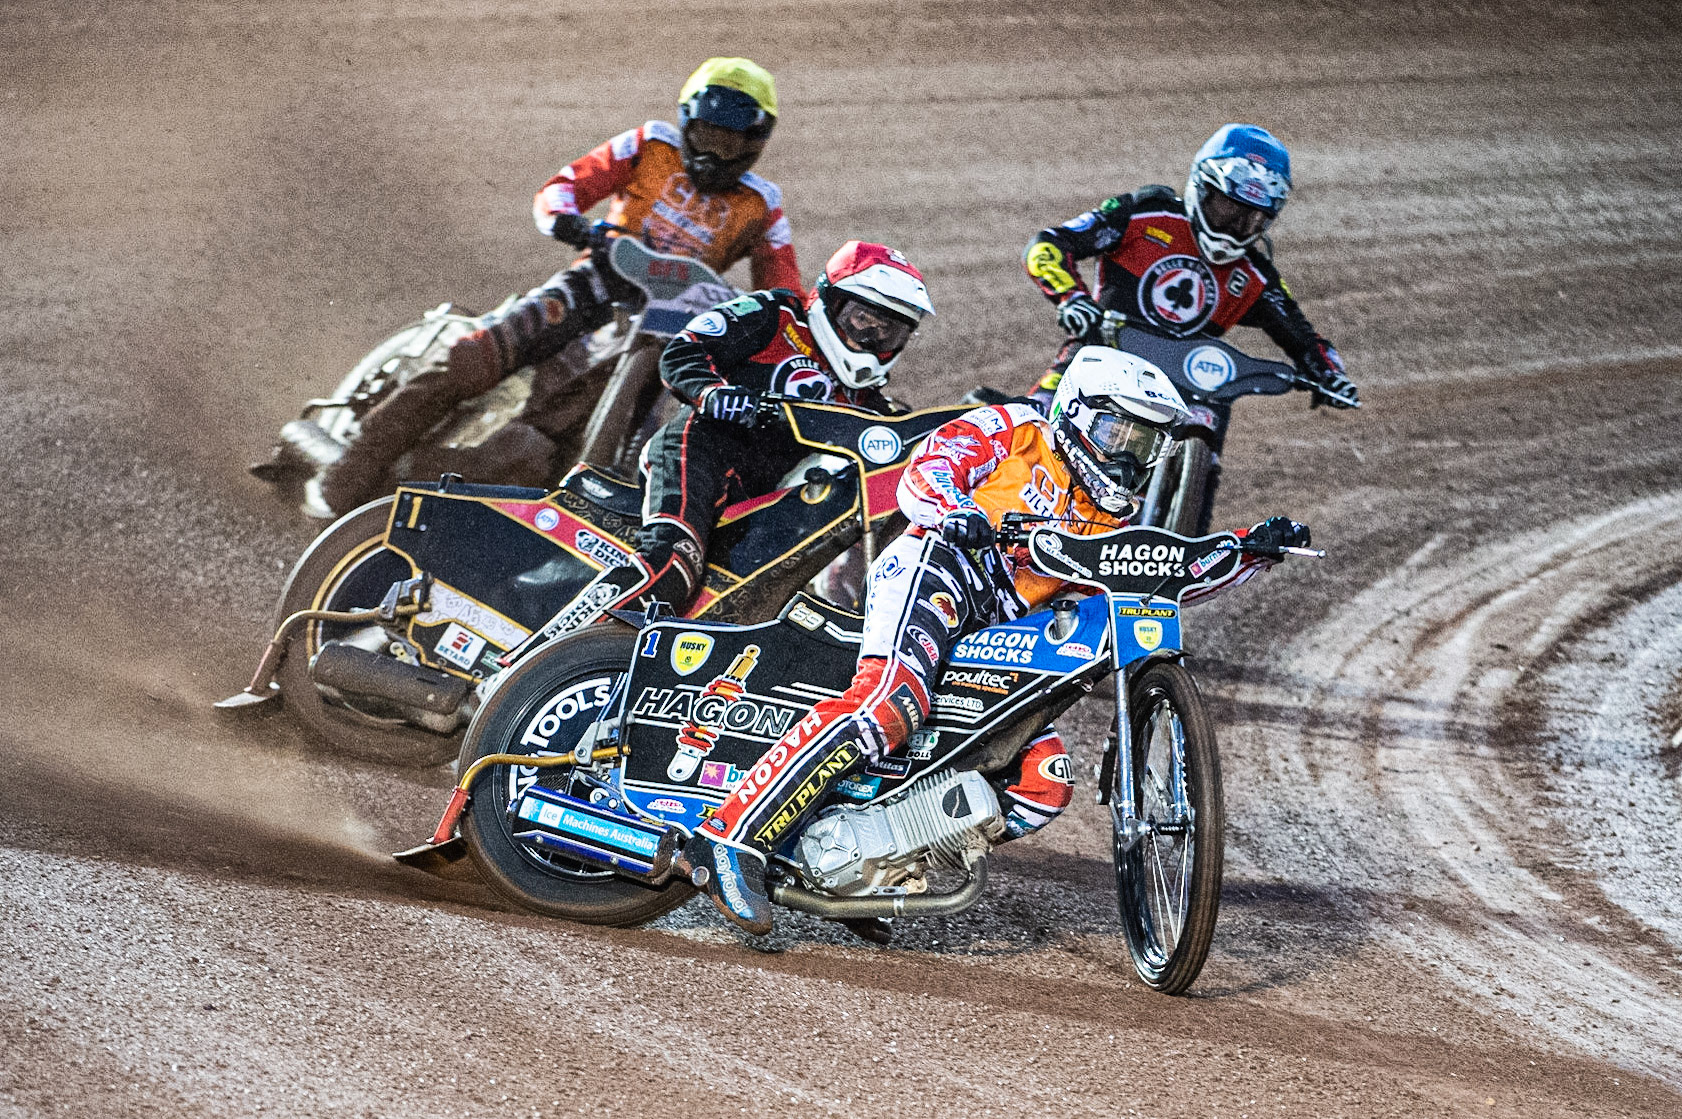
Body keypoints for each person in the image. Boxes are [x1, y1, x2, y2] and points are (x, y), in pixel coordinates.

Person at [680, 345, 1309, 934]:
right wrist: (960, 509)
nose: (1129, 457)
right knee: (888, 705)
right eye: (1121, 434)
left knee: (1043, 783)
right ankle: (732, 836)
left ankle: (861, 867)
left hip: (999, 626)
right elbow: (926, 469)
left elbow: (1160, 579)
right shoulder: (1014, 427)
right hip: (938, 566)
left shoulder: (1111, 515)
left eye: (1146, 446)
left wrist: (1252, 549)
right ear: (1079, 413)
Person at [316, 57, 801, 515]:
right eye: (707, 135)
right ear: (686, 124)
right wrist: (567, 222)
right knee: (475, 360)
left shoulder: (764, 205)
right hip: (596, 284)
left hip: (665, 330)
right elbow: (562, 186)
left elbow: (788, 293)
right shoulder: (650, 144)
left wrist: (782, 330)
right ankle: (344, 477)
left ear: (755, 143)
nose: (715, 152)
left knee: (602, 433)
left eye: (730, 143)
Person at [545, 240, 935, 628]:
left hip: (759, 503)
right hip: (698, 452)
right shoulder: (776, 315)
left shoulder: (866, 403)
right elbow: (684, 351)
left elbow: (901, 445)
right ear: (829, 298)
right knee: (672, 562)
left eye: (889, 333)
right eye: (863, 320)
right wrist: (716, 394)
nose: (871, 338)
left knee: (742, 610)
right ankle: (541, 654)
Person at [1021, 124, 1358, 518]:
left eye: (1250, 220)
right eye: (1226, 209)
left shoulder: (1255, 275)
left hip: (1187, 392)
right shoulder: (1145, 213)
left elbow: (1304, 337)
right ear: (1201, 186)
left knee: (1207, 464)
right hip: (1097, 356)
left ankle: (1185, 546)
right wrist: (1072, 298)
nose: (1234, 227)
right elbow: (1048, 244)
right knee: (1028, 427)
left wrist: (1329, 373)